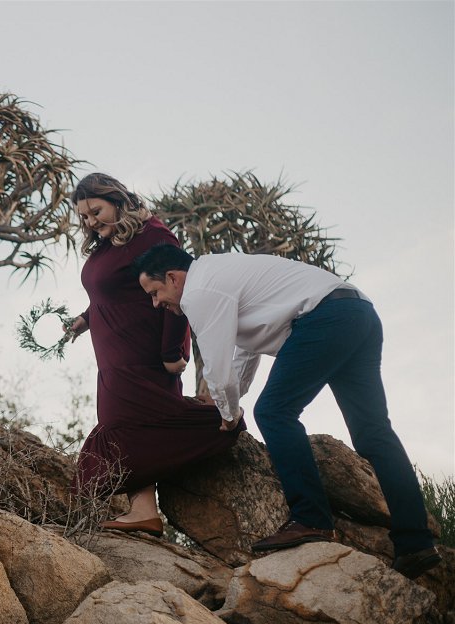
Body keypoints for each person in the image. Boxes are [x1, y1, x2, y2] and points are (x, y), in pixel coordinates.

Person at [133, 243, 440, 578]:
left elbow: (217, 367)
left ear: (174, 278)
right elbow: (245, 352)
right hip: (357, 311)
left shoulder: (199, 292)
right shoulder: (220, 275)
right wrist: (228, 401)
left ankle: (310, 518)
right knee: (373, 432)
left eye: (155, 292)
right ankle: (416, 543)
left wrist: (227, 415)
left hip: (325, 317)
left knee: (273, 412)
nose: (156, 302)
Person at [64, 173, 243, 537]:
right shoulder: (107, 243)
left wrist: (169, 351)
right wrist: (86, 317)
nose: (90, 221)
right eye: (83, 216)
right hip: (113, 352)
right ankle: (143, 511)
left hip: (145, 351)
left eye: (96, 211)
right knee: (127, 425)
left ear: (118, 201)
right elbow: (108, 291)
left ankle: (222, 418)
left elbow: (178, 291)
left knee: (136, 421)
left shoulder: (154, 236)